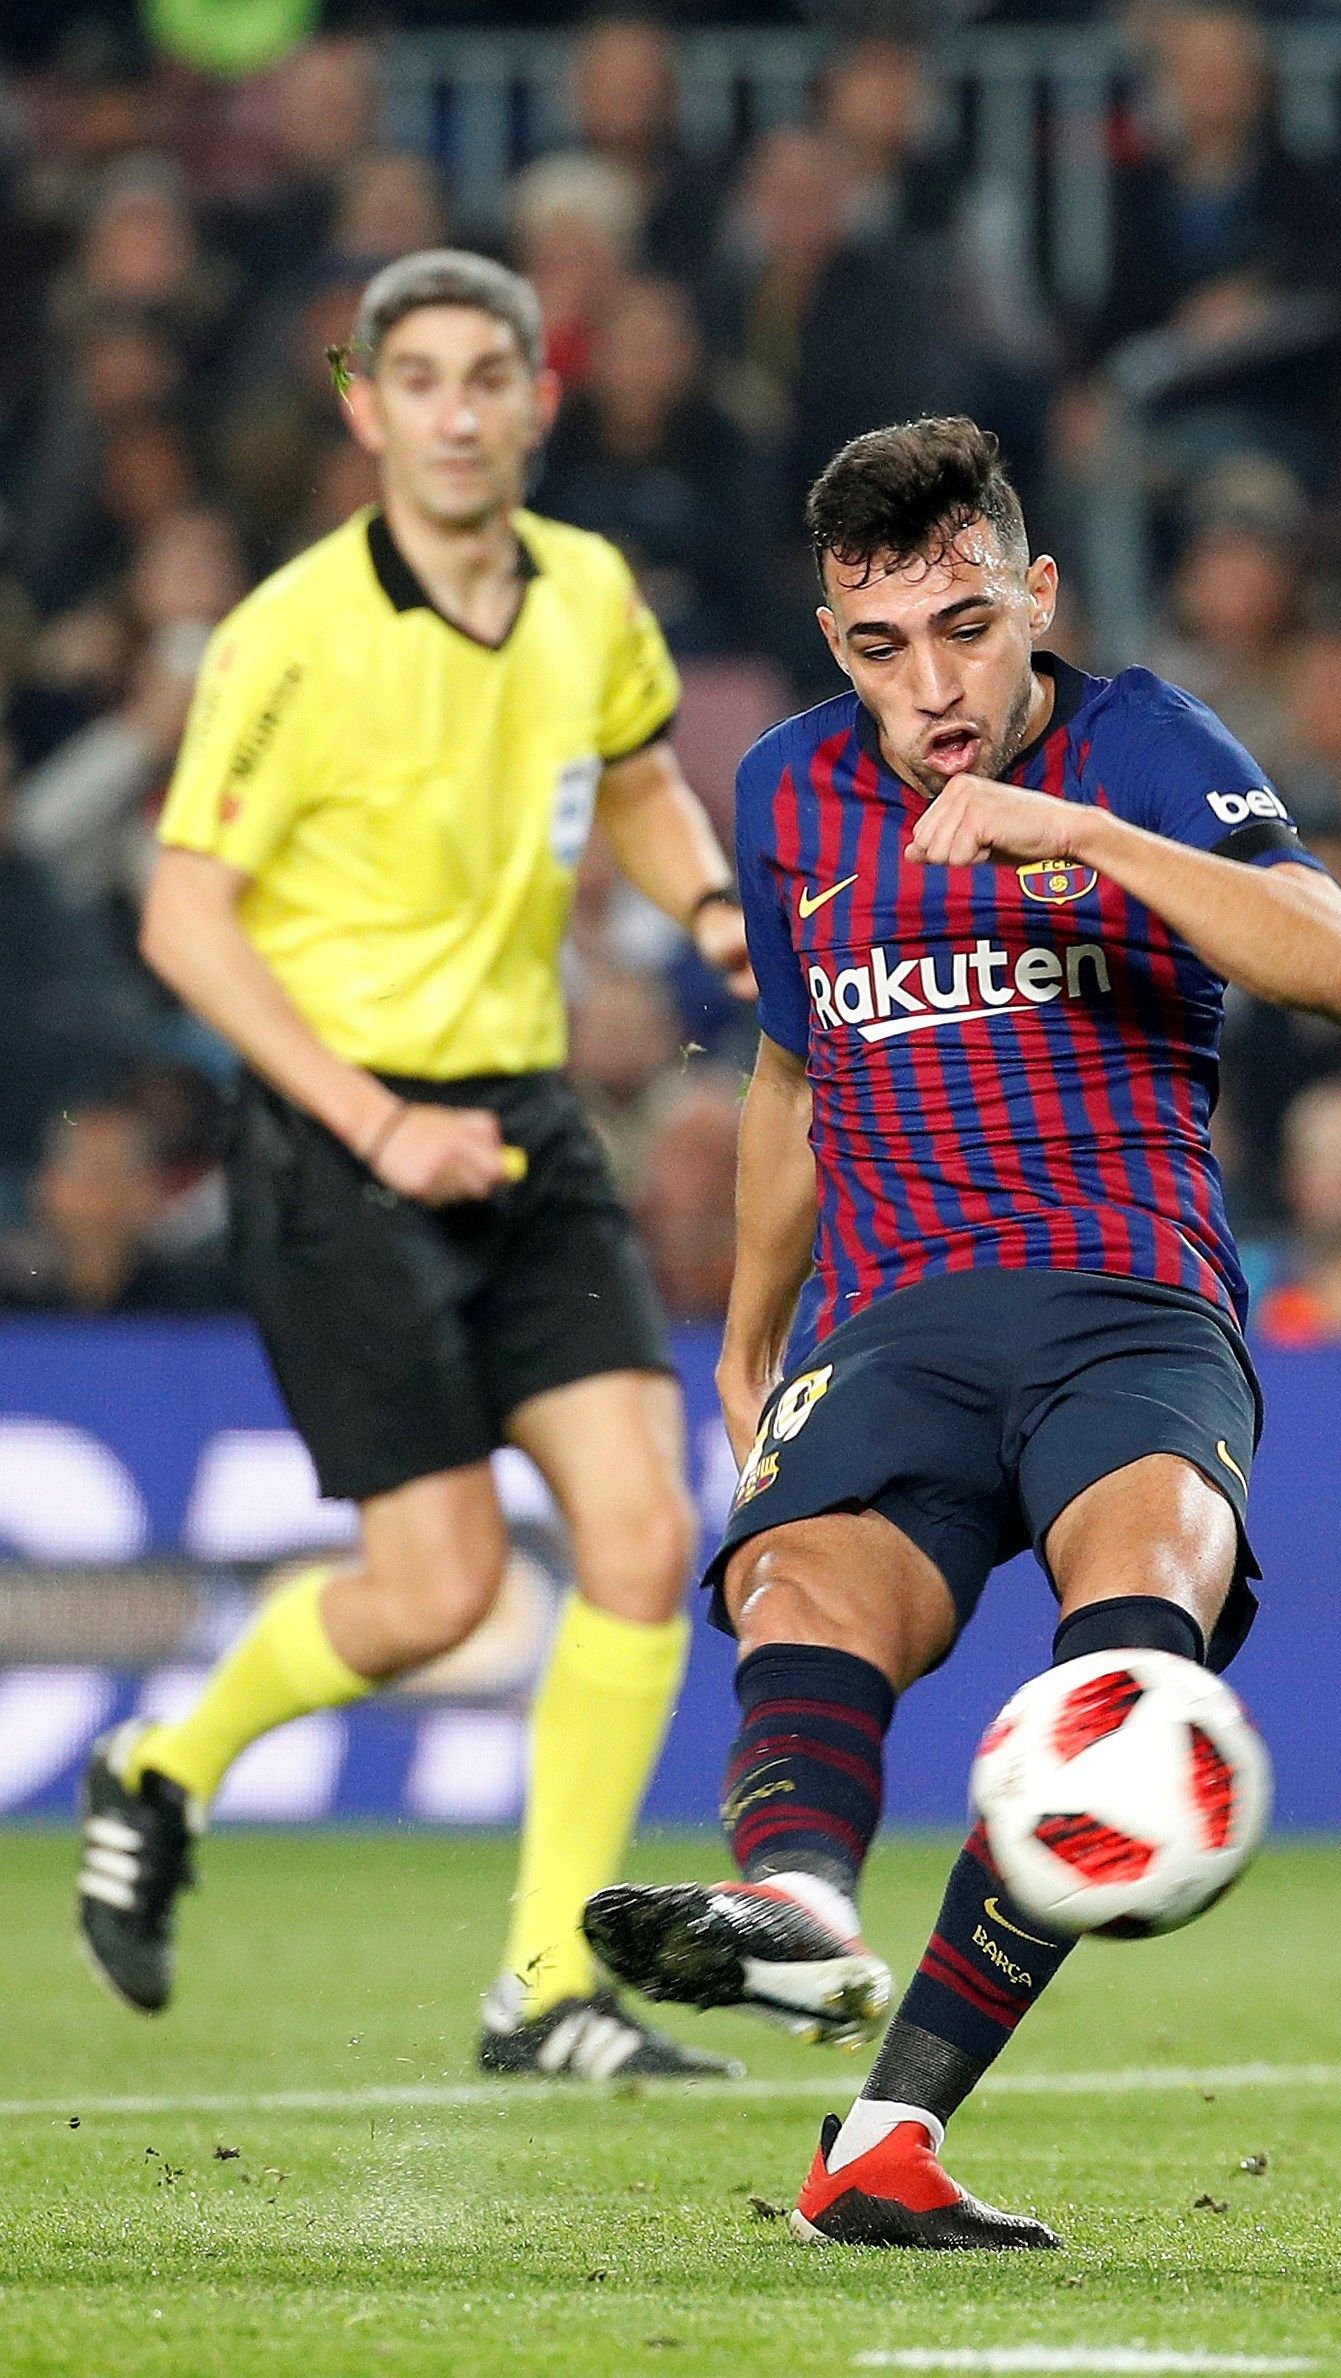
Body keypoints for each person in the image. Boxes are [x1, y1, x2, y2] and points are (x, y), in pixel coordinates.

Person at [579, 419, 1341, 2249]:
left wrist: (1079, 830)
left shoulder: (1148, 746)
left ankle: (888, 2135)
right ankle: (796, 1906)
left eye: (964, 628)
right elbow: (794, 1066)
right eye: (880, 648)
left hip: (1129, 1305)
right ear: (830, 640)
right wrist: (745, 1330)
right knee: (801, 1588)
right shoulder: (788, 795)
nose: (931, 688)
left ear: (1036, 596)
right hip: (898, 1315)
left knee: (1125, 1699)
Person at [76, 251, 755, 2081]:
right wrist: (375, 1119)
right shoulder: (288, 636)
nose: (458, 410)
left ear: (542, 397)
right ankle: (162, 1769)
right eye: (421, 380)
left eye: (491, 377)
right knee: (442, 1586)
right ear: (365, 407)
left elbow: (634, 771)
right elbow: (182, 914)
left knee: (640, 1533)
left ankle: (545, 1983)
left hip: (521, 1115)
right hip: (340, 1133)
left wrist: (705, 896)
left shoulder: (591, 592)